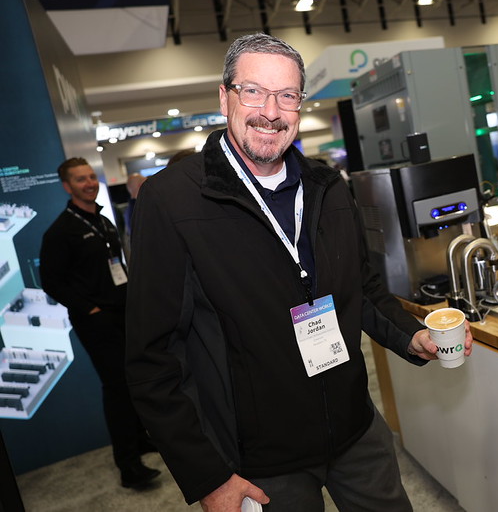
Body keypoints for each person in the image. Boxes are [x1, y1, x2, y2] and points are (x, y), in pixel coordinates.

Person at [125, 33, 473, 511]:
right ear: (224, 97)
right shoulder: (171, 201)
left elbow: (362, 287)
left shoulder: (328, 186)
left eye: (287, 95)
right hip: (261, 460)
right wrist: (208, 476)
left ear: (300, 105)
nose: (270, 112)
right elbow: (152, 358)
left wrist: (412, 336)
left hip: (354, 428)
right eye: (253, 91)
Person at [39, 158, 160, 489]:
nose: (89, 183)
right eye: (81, 179)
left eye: (91, 177)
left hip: (123, 312)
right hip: (95, 321)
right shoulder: (61, 231)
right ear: (67, 186)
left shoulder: (104, 222)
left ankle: (139, 439)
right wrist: (88, 308)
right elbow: (51, 281)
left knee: (133, 379)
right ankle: (128, 466)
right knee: (117, 387)